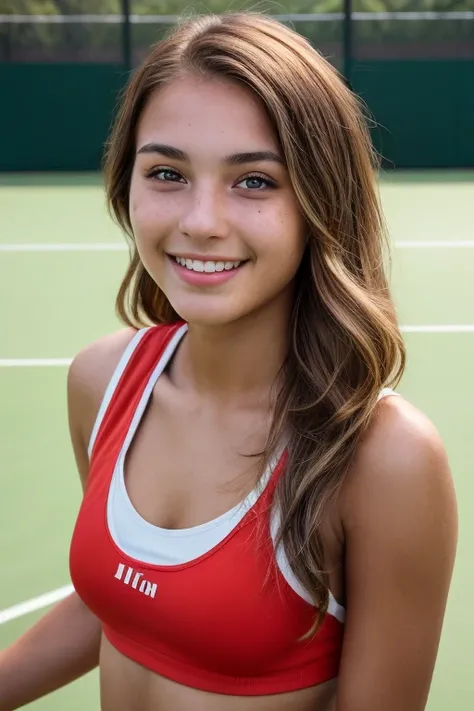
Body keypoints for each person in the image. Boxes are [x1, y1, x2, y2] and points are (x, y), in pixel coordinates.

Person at [0, 12, 457, 711]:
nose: (201, 219)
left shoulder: (381, 457)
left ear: (320, 199)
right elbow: (123, 603)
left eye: (254, 182)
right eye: (166, 172)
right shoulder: (100, 381)